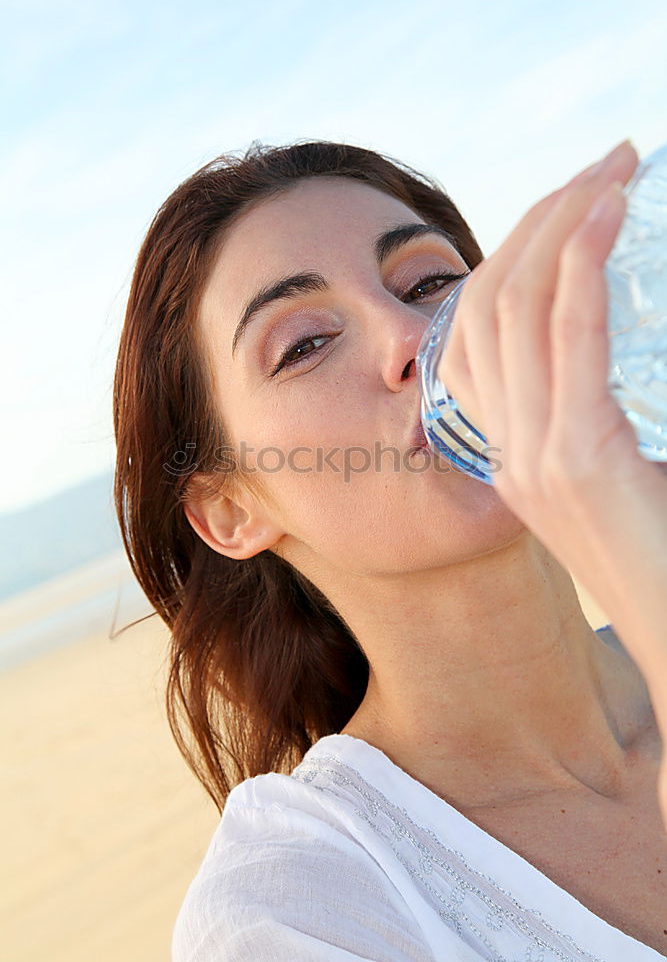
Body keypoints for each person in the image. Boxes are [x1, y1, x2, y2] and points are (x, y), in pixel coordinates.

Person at [112, 138, 667, 960]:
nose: (412, 334)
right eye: (302, 344)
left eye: (430, 282)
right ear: (230, 510)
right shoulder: (300, 903)